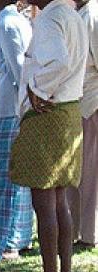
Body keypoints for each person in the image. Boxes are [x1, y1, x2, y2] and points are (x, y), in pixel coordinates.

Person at [10, 0, 88, 272]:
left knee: (44, 203)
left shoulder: (51, 17)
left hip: (48, 113)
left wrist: (37, 89)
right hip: (67, 112)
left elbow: (59, 62)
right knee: (58, 202)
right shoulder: (70, 14)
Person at [0, 0, 33, 266]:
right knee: (14, 177)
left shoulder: (9, 25)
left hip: (12, 110)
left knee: (6, 179)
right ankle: (17, 238)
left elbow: (20, 71)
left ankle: (7, 243)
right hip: (10, 109)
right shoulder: (8, 22)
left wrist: (24, 109)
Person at [68, 0, 98, 249]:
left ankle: (88, 234)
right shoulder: (81, 14)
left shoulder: (93, 16)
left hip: (91, 103)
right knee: (80, 172)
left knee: (89, 172)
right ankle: (78, 230)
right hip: (79, 102)